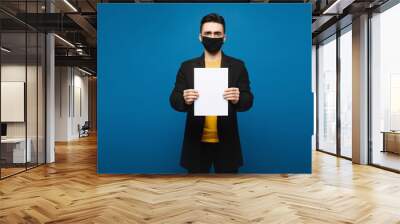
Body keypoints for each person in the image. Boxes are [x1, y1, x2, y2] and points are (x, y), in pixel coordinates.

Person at [169, 13, 253, 174]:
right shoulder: (187, 67)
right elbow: (174, 99)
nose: (212, 37)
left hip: (227, 143)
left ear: (224, 37)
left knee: (228, 194)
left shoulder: (237, 66)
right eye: (208, 33)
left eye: (217, 34)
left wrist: (238, 98)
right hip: (196, 143)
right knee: (196, 194)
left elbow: (248, 100)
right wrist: (184, 99)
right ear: (200, 37)